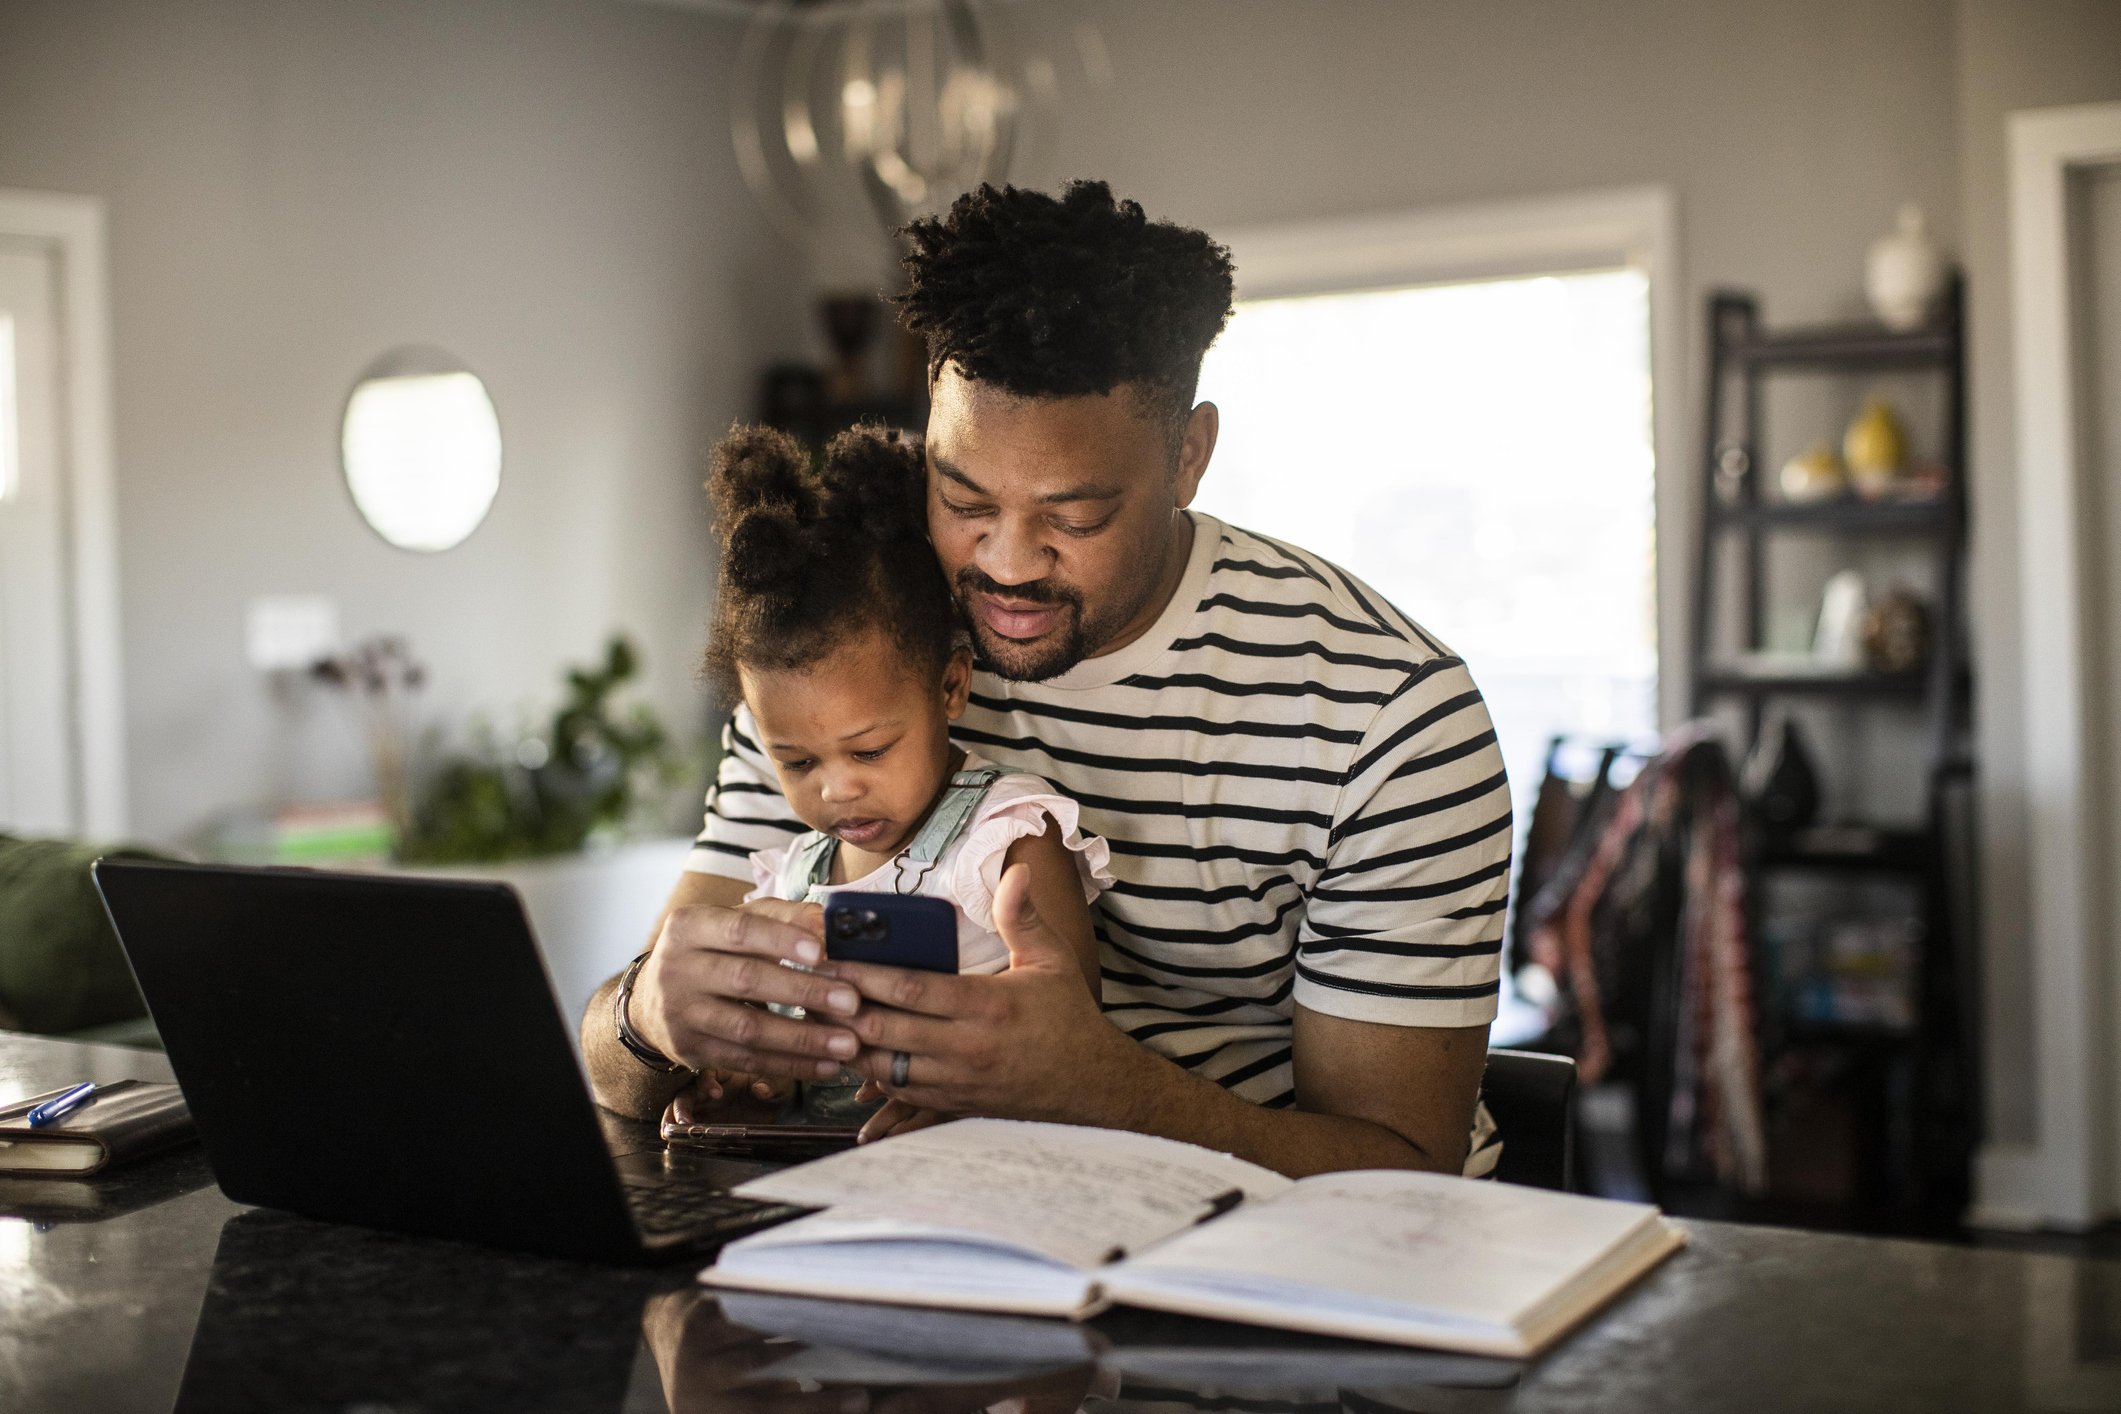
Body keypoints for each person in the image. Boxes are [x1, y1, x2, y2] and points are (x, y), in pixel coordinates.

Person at [582, 180, 1513, 1179]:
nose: (1009, 564)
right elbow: (612, 1067)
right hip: (917, 1220)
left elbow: (1404, 1177)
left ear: (1189, 454)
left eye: (1074, 517)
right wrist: (649, 1014)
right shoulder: (853, 655)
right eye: (963, 496)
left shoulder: (1386, 716)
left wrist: (1098, 1090)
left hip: (1262, 1266)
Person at [686, 421, 1111, 1138]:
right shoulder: (790, 878)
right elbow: (775, 1037)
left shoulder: (1004, 839)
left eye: (871, 750)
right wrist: (752, 1069)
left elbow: (1070, 1035)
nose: (836, 790)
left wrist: (971, 1084)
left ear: (950, 687)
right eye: (796, 762)